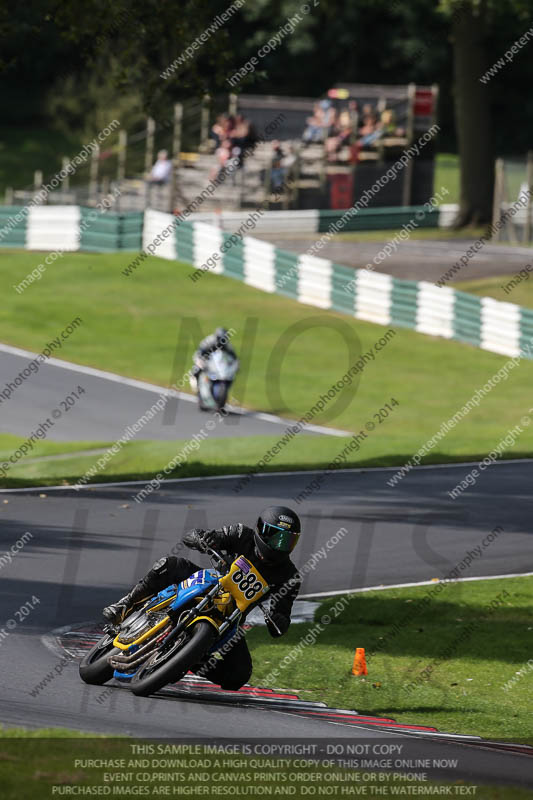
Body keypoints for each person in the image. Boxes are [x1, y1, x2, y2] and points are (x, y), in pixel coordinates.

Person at [102, 506, 302, 690]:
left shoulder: (289, 576)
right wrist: (203, 539)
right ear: (261, 530)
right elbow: (196, 536)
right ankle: (125, 605)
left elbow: (282, 618)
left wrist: (278, 621)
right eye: (277, 537)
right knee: (169, 565)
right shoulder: (242, 534)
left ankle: (190, 659)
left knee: (239, 675)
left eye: (288, 540)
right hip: (209, 582)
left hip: (230, 616)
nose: (280, 545)